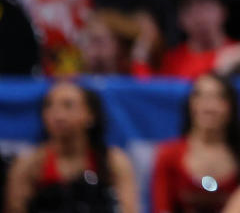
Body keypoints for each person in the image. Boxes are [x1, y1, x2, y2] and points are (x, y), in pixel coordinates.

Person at [3, 81, 139, 213]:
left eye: (68, 106)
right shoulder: (28, 164)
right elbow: (16, 208)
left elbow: (129, 208)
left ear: (90, 115)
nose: (57, 115)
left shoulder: (113, 161)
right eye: (49, 106)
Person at [151, 73, 240, 213]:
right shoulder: (168, 155)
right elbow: (162, 208)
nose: (209, 106)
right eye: (200, 96)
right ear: (190, 104)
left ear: (231, 106)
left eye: (218, 97)